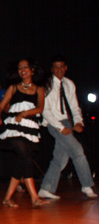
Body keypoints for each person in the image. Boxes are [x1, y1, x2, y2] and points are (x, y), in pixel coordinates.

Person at [38, 55, 97, 199]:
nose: (59, 70)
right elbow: (45, 110)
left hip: (67, 121)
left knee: (60, 158)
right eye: (56, 67)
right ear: (52, 69)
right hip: (54, 122)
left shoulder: (69, 84)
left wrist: (78, 122)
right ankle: (87, 185)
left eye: (61, 67)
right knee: (78, 151)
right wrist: (59, 127)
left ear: (65, 68)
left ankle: (45, 188)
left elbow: (74, 106)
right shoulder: (47, 84)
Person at [0, 58, 50, 208]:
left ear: (32, 70)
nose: (22, 70)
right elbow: (0, 106)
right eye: (20, 68)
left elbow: (40, 108)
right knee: (25, 157)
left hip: (29, 126)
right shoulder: (13, 87)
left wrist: (24, 114)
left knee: (21, 162)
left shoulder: (39, 89)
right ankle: (34, 197)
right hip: (14, 126)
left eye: (25, 67)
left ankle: (7, 198)